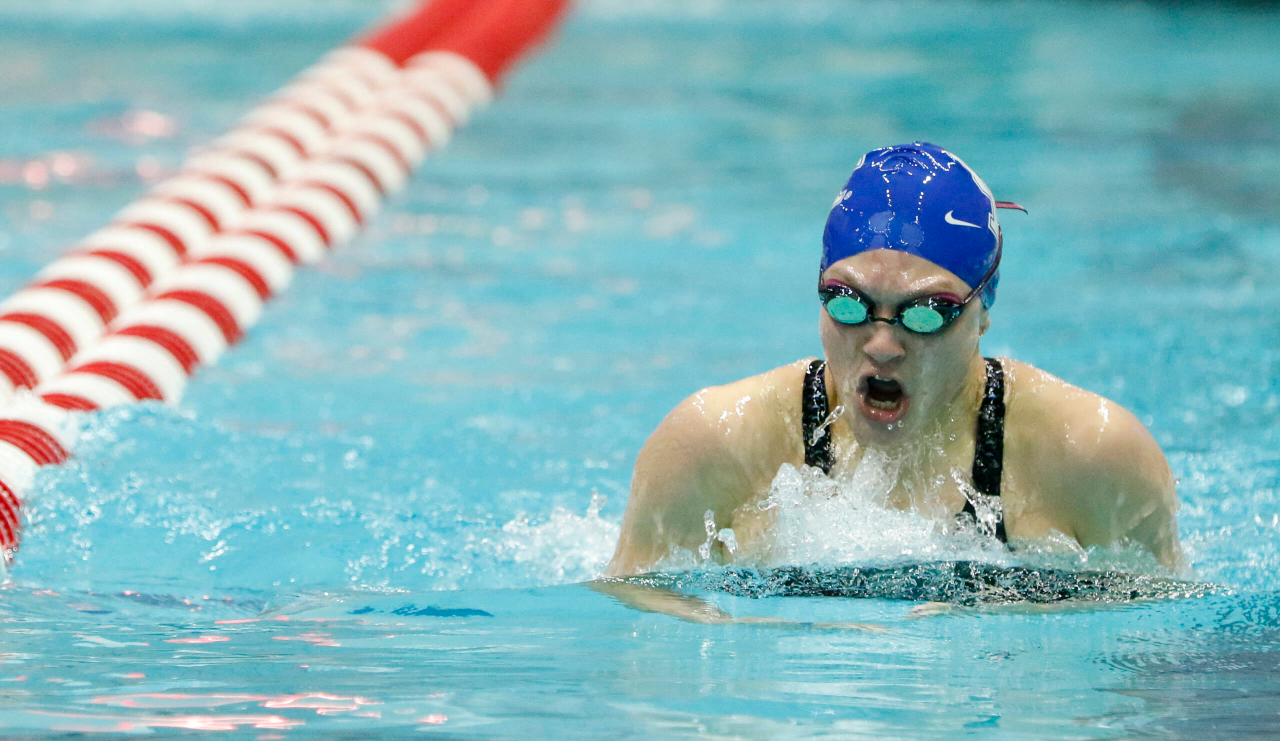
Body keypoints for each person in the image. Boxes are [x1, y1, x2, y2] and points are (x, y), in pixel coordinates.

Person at [606, 142, 1184, 578]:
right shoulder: (711, 447)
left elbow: (1155, 665)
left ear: (983, 311)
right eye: (850, 304)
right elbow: (643, 658)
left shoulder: (1095, 459)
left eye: (926, 312)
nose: (881, 344)